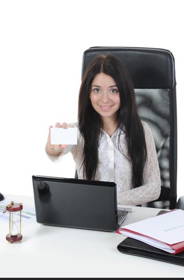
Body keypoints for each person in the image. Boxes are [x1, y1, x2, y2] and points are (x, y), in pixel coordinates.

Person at [45, 54, 161, 206]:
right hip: (92, 216)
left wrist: (109, 200)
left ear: (124, 92)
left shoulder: (142, 130)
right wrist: (53, 147)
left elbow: (153, 188)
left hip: (131, 218)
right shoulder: (77, 131)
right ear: (88, 93)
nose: (104, 99)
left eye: (113, 90)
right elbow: (56, 150)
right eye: (97, 90)